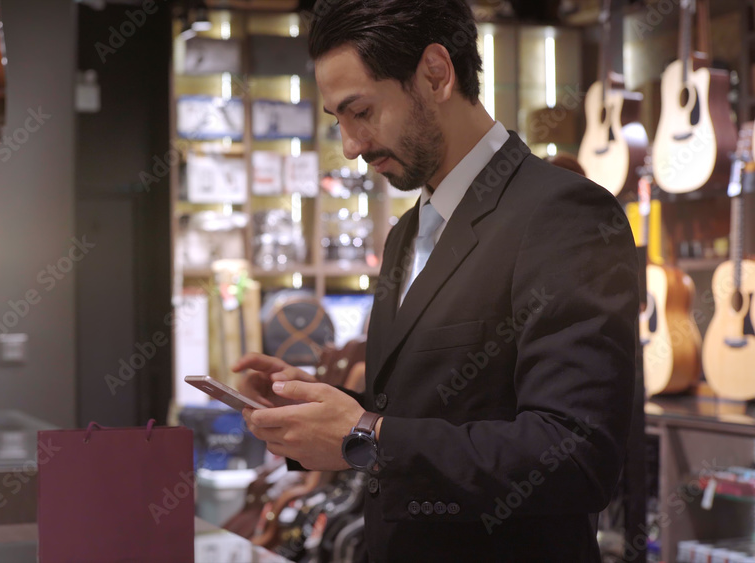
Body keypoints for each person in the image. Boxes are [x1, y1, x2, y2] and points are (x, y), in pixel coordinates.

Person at [236, 0, 639, 561]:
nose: (351, 146)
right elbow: (432, 410)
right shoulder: (408, 232)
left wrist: (364, 437)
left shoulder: (564, 214)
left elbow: (574, 455)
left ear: (435, 73)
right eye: (339, 122)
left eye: (361, 112)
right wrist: (320, 407)